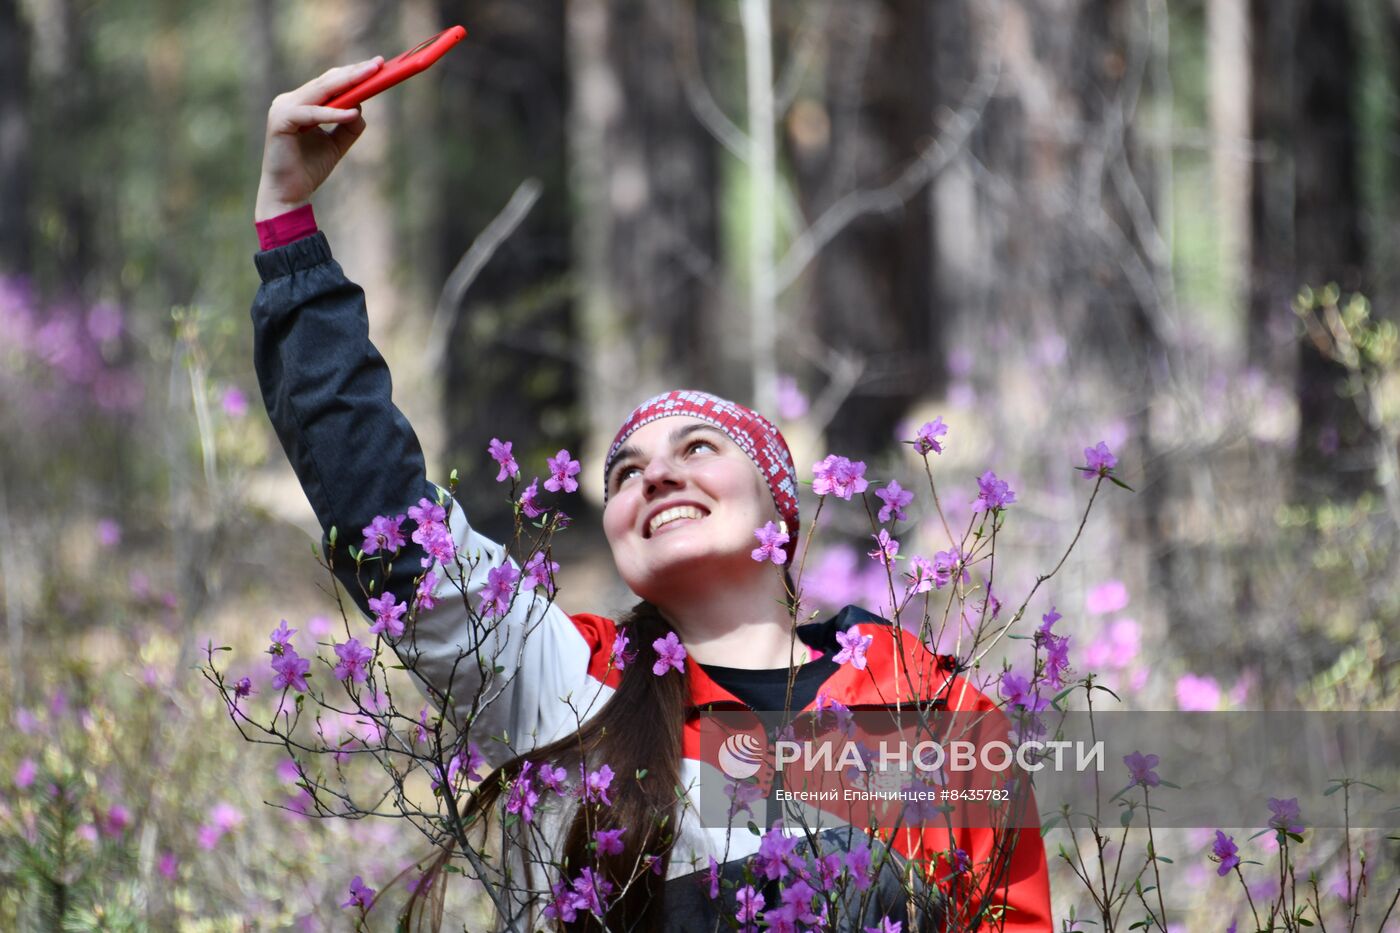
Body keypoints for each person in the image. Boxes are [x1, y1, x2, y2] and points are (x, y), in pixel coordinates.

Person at [251, 60, 1052, 931]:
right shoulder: (560, 676)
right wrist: (289, 230)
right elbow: (387, 520)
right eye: (625, 473)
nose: (655, 475)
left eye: (697, 448)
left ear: (780, 506)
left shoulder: (937, 711)